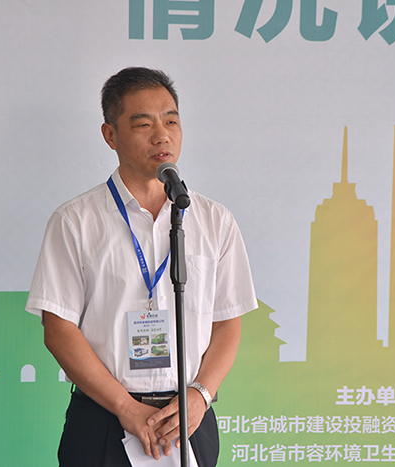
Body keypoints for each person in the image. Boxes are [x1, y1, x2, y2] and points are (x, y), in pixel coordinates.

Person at [25, 67, 257, 467]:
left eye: (171, 121)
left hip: (188, 420)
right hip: (104, 418)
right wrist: (125, 407)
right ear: (110, 135)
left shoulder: (214, 220)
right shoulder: (75, 221)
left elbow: (226, 324)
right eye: (143, 124)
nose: (161, 135)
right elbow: (58, 328)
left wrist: (200, 395)